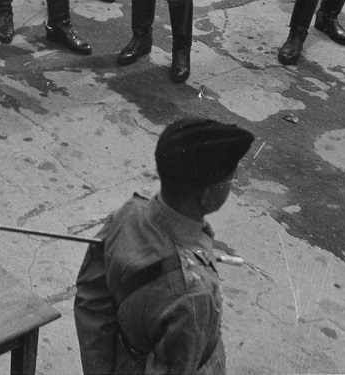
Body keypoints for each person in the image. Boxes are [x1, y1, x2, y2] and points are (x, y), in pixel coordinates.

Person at [74, 117, 254, 374]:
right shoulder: (195, 294)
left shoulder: (129, 214)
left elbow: (92, 300)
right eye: (230, 181)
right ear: (205, 195)